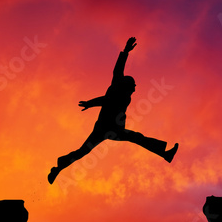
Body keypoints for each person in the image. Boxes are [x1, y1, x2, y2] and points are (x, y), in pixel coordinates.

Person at [48, 37, 178, 184]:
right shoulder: (119, 92)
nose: (135, 89)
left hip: (110, 128)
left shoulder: (122, 91)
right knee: (133, 138)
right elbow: (107, 94)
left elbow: (118, 72)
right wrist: (90, 103)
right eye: (133, 86)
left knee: (86, 150)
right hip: (107, 128)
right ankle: (59, 167)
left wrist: (126, 52)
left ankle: (60, 166)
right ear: (127, 86)